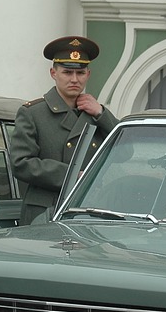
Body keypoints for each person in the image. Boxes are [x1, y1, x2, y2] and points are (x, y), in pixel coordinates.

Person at [11, 35, 119, 224]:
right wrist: (71, 175)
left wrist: (102, 113)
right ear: (54, 73)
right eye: (67, 72)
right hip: (43, 211)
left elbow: (125, 150)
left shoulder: (95, 114)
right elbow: (21, 163)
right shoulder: (33, 113)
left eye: (80, 73)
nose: (75, 79)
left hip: (85, 209)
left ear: (88, 74)